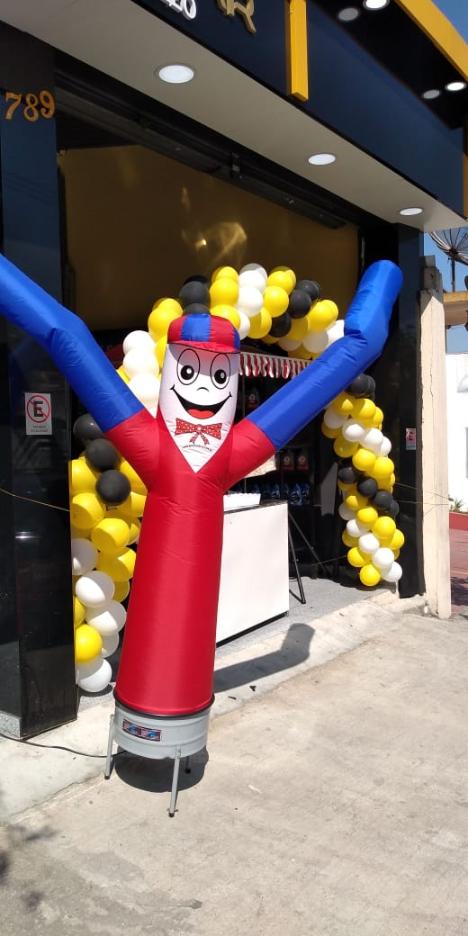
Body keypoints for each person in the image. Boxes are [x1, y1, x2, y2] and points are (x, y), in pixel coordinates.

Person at [0, 255, 402, 718]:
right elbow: (63, 332)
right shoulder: (153, 441)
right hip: (145, 691)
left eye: (218, 374)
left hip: (184, 691)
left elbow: (355, 347)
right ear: (172, 370)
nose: (204, 389)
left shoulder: (232, 448)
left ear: (231, 377)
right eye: (188, 372)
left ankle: (167, 719)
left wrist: (381, 283)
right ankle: (147, 717)